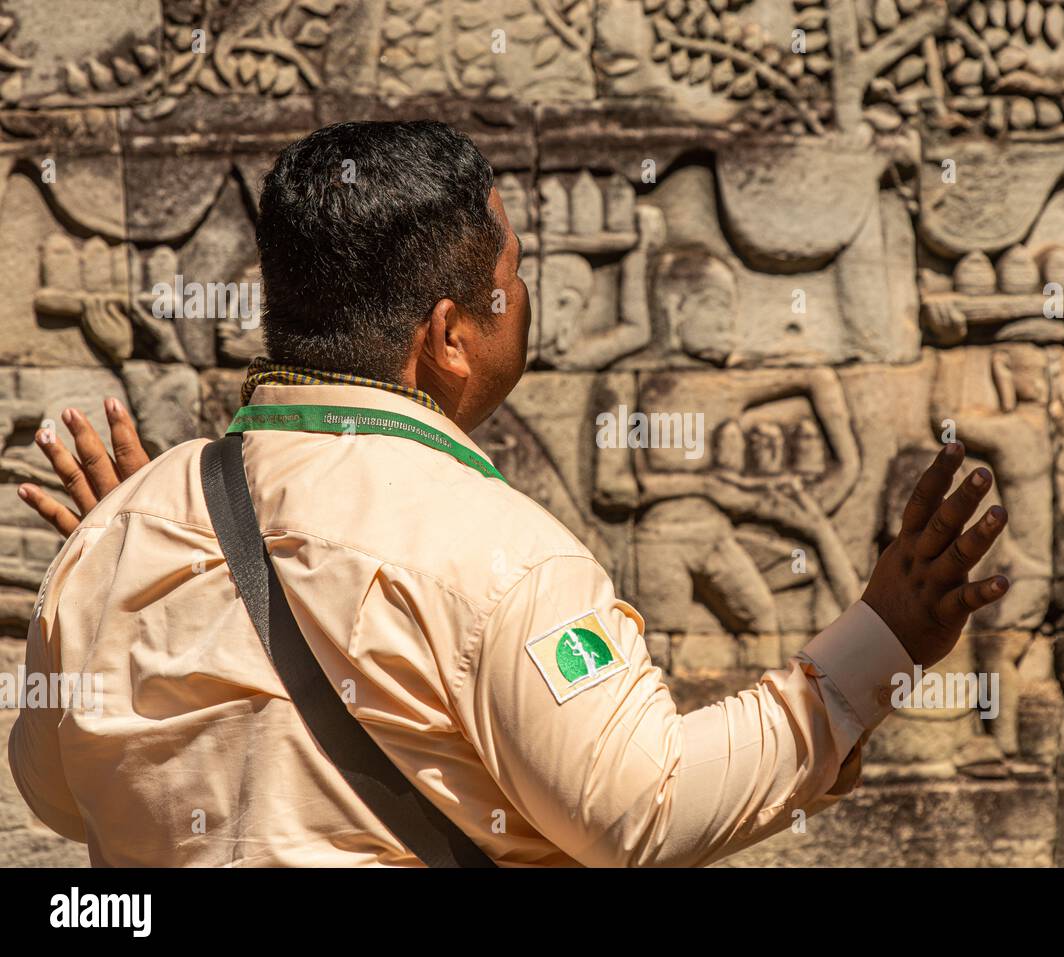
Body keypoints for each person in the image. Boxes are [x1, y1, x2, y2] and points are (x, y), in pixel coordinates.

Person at [8, 120, 1009, 867]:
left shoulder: (122, 534)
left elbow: (56, 791)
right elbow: (642, 807)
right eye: (514, 274)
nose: (526, 297)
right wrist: (879, 643)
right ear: (449, 334)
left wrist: (164, 556)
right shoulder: (498, 557)